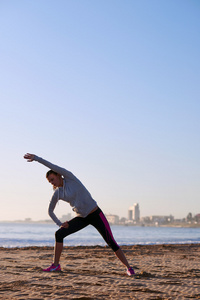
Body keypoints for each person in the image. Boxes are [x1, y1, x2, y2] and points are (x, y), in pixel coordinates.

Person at [24, 153, 135, 276]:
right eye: (49, 181)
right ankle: (56, 266)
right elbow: (50, 211)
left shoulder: (70, 178)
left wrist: (37, 159)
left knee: (110, 241)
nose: (52, 183)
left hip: (95, 214)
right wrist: (60, 223)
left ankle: (129, 268)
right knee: (59, 233)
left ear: (58, 175)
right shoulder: (58, 193)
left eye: (52, 179)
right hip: (81, 218)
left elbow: (52, 165)